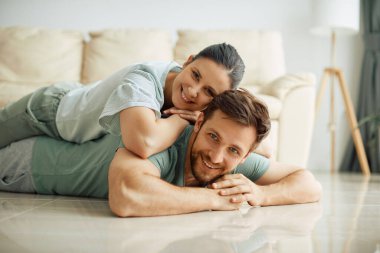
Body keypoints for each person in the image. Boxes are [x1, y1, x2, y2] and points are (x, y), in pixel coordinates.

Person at [0, 89, 322, 217]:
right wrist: (217, 200)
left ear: (247, 153)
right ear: (196, 126)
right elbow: (127, 198)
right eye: (212, 136)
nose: (217, 156)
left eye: (233, 150)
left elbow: (308, 183)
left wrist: (261, 194)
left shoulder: (233, 157)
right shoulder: (165, 140)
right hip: (26, 165)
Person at [0, 43, 245, 159]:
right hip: (51, 110)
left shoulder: (209, 107)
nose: (193, 92)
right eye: (195, 75)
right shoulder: (143, 78)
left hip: (79, 120)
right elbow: (142, 143)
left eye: (209, 92)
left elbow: (258, 144)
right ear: (188, 60)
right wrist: (181, 121)